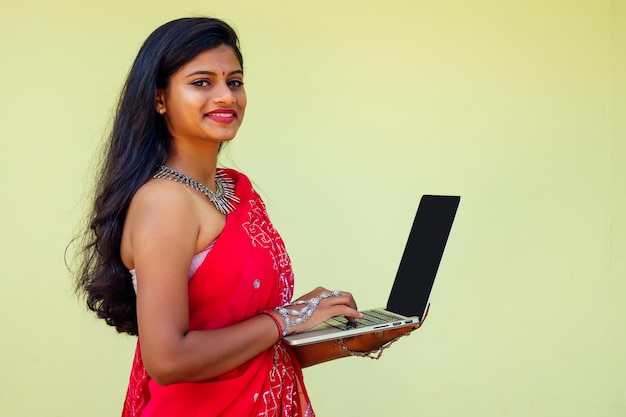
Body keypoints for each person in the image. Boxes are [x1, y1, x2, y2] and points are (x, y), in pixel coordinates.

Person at [74, 17, 417, 417]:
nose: (226, 96)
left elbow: (253, 355)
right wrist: (288, 316)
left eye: (234, 81)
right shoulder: (164, 202)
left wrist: (348, 340)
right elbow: (167, 360)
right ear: (159, 99)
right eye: (202, 82)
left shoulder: (237, 192)